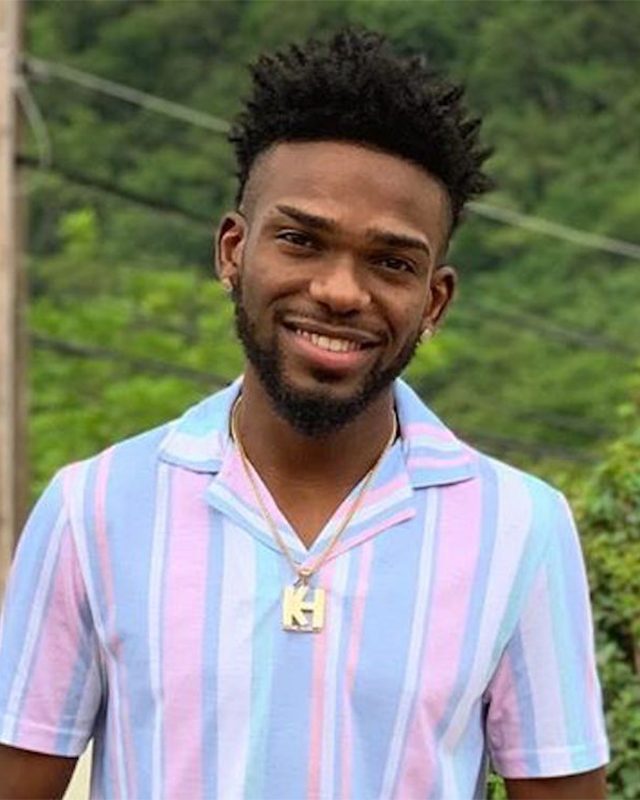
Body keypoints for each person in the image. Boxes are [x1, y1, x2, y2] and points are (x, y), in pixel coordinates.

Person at [0, 28, 608, 800]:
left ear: (435, 301)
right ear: (233, 251)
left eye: (391, 262)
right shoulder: (91, 509)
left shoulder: (521, 528)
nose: (340, 291)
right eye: (300, 240)